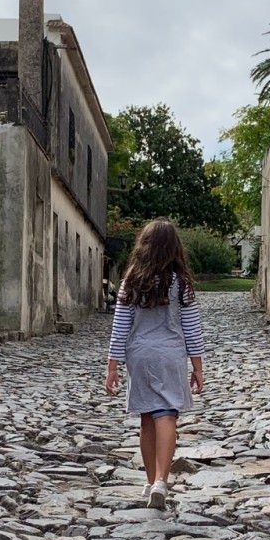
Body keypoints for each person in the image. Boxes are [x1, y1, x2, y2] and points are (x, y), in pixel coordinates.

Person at [105, 218, 204, 509]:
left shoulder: (131, 281)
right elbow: (192, 327)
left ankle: (150, 483)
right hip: (170, 354)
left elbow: (120, 326)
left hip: (140, 354)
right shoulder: (181, 283)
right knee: (167, 415)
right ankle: (162, 480)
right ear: (175, 248)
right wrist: (197, 367)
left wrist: (112, 366)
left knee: (146, 418)